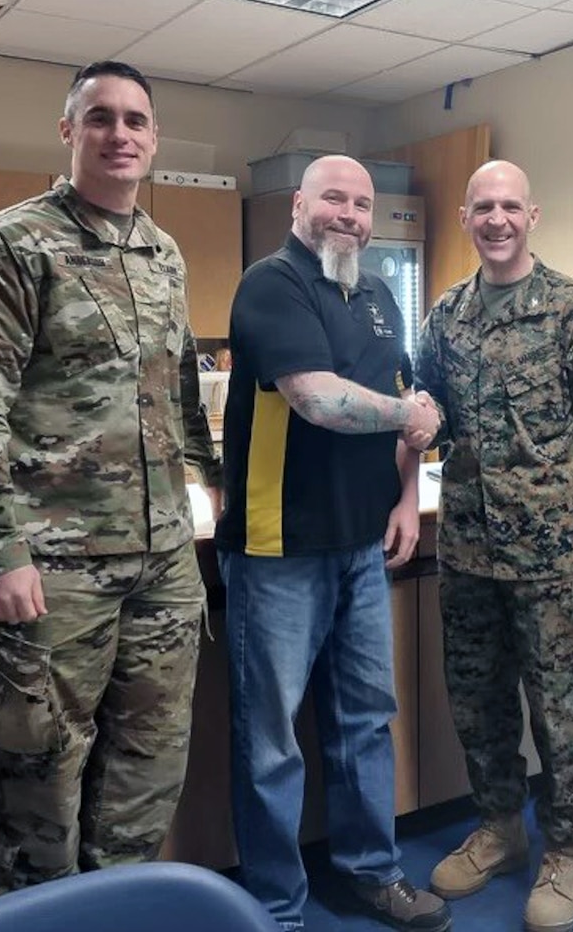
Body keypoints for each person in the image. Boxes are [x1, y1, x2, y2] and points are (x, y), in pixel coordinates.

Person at [0, 60, 222, 891]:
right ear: (69, 133)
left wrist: (208, 484)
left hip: (162, 560)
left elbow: (179, 383)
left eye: (136, 120)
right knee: (44, 787)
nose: (120, 133)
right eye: (101, 118)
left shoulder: (163, 251)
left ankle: (121, 912)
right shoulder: (11, 244)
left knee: (148, 770)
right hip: (55, 569)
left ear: (154, 139)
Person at [214, 154, 449, 932]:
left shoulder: (380, 295)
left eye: (361, 203)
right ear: (297, 206)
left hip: (361, 547)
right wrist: (410, 417)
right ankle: (276, 906)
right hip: (277, 548)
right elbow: (318, 399)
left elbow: (408, 399)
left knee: (365, 720)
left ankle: (370, 873)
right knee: (272, 738)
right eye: (333, 199)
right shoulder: (271, 284)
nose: (349, 214)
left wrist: (409, 496)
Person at [414, 160, 573, 932]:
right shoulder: (447, 314)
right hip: (468, 545)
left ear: (532, 215)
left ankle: (570, 846)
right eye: (483, 207)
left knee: (558, 705)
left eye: (510, 206)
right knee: (477, 702)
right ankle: (500, 829)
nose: (496, 219)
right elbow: (434, 405)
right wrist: (417, 419)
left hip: (549, 552)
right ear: (468, 217)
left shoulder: (572, 309)